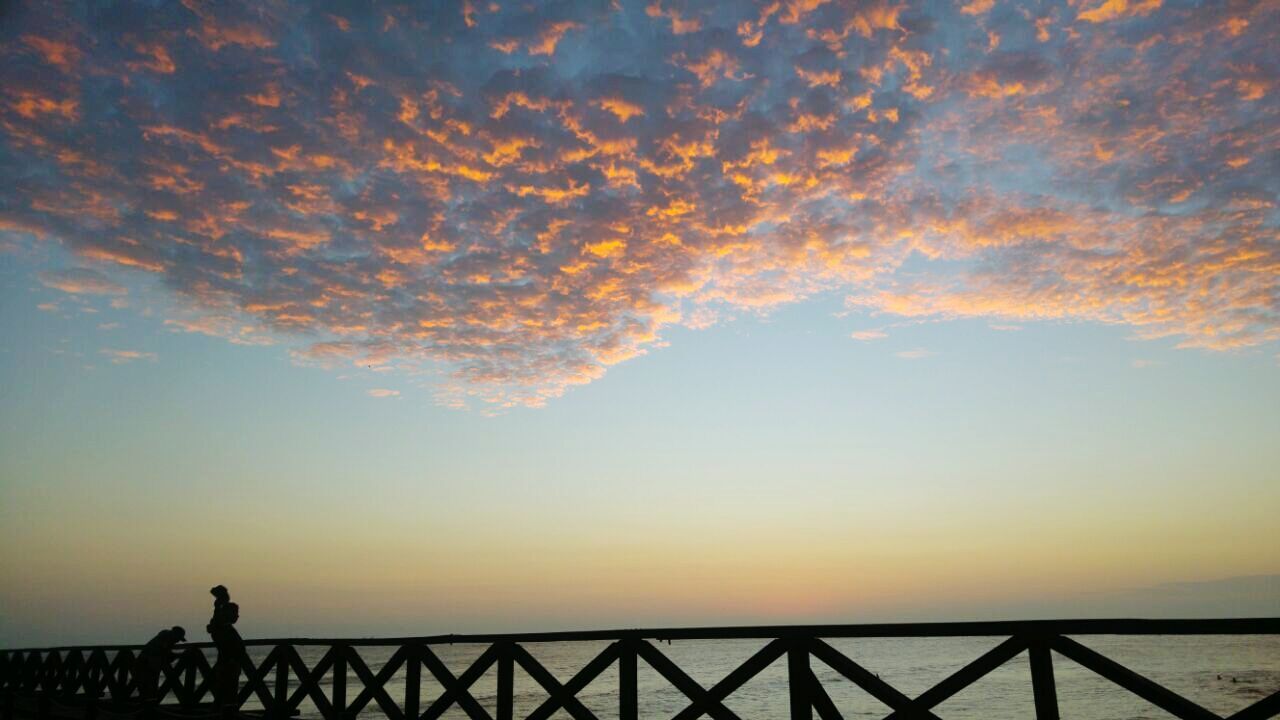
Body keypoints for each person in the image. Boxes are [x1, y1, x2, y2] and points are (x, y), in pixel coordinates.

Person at [208, 586, 245, 708]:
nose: (237, 616)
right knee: (228, 692)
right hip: (229, 664)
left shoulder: (222, 628)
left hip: (227, 663)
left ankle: (222, 709)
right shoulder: (224, 630)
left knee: (224, 693)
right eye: (235, 613)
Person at [135, 626, 186, 699]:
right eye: (178, 639)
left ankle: (147, 703)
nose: (177, 641)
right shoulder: (166, 639)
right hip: (147, 664)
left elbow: (165, 653)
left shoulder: (164, 637)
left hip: (147, 663)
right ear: (175, 635)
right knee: (149, 688)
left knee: (147, 689)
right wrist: (180, 655)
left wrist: (177, 655)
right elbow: (164, 653)